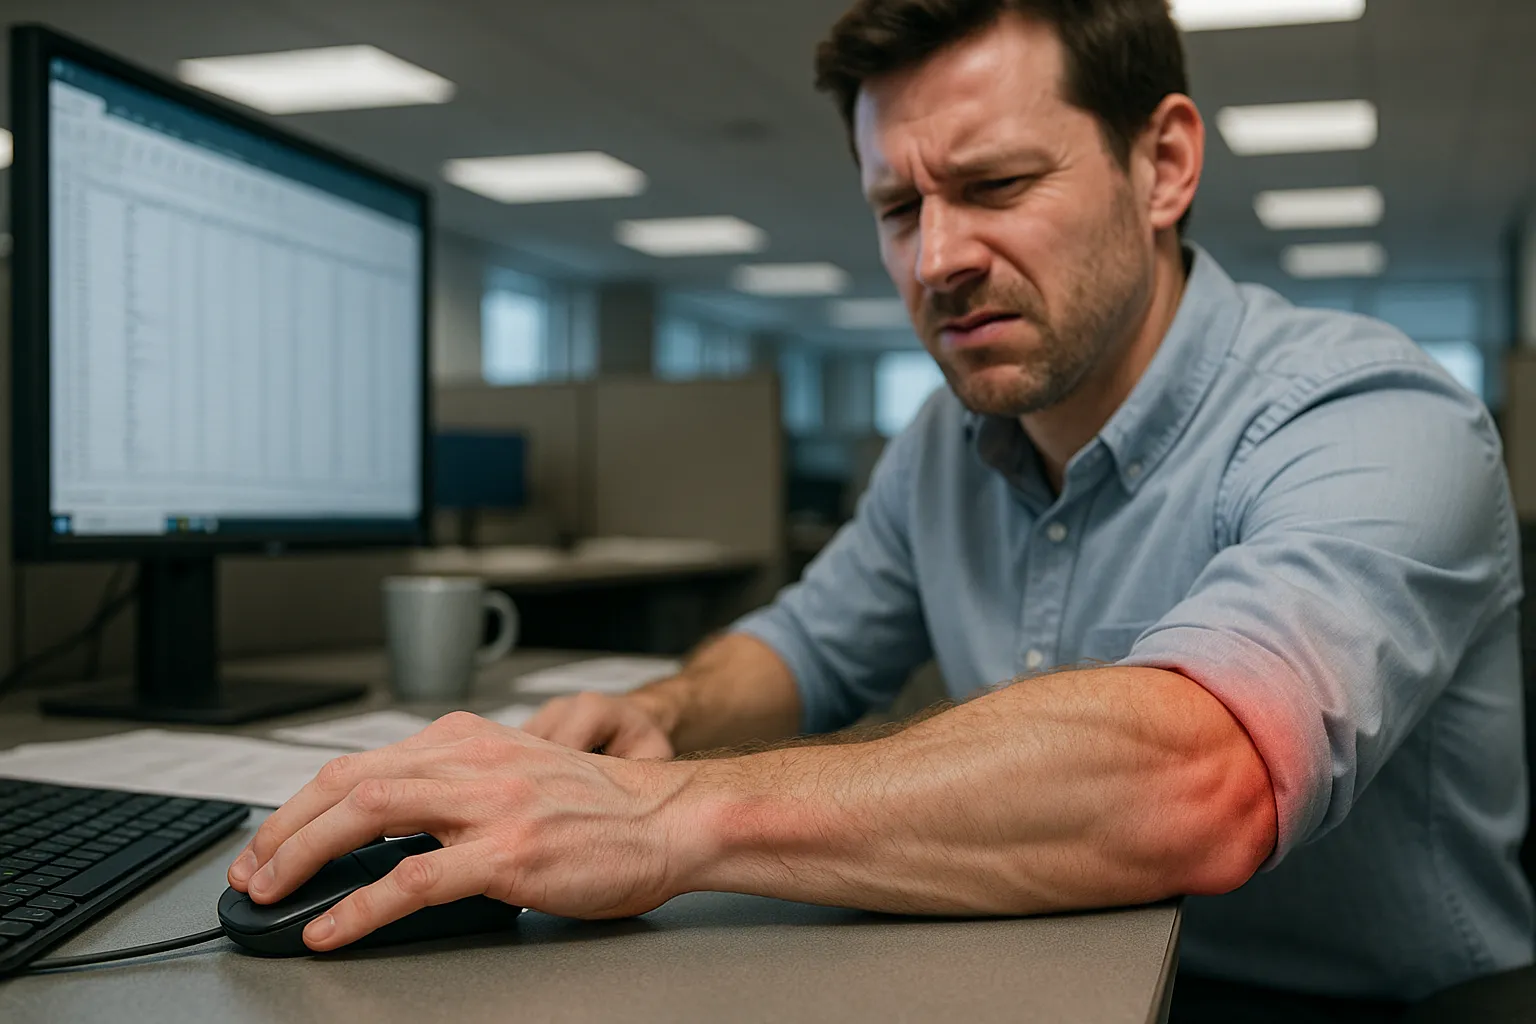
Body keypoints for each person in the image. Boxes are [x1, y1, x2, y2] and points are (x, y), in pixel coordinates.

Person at [227, 1, 1532, 1019]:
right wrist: (661, 720)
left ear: (1165, 164)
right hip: (1042, 963)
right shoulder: (948, 445)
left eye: (998, 185)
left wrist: (669, 818)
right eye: (900, 207)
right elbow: (802, 646)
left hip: (1355, 1008)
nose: (939, 259)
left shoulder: (1370, 416)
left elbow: (1201, 780)